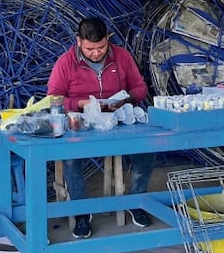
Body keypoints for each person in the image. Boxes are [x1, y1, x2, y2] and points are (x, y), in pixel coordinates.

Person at [47, 17, 155, 239]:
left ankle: (135, 201)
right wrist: (81, 104)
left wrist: (126, 99)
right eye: (89, 49)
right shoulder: (66, 62)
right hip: (80, 122)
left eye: (101, 47)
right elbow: (53, 98)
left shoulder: (122, 57)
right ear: (78, 42)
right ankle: (81, 214)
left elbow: (140, 87)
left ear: (108, 39)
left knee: (147, 150)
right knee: (70, 157)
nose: (96, 53)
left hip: (117, 118)